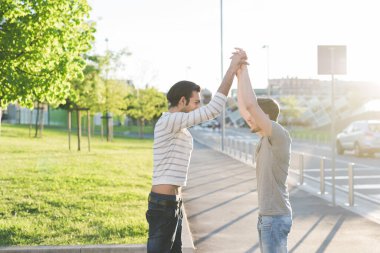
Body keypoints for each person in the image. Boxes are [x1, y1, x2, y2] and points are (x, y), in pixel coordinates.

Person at [146, 48, 248, 253]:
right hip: (163, 204)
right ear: (182, 101)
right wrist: (231, 69)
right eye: (195, 102)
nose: (197, 107)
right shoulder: (170, 121)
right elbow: (213, 109)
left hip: (173, 203)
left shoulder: (178, 124)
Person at [236, 63, 292, 253]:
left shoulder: (278, 134)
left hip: (275, 217)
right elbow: (244, 106)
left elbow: (251, 105)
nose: (249, 118)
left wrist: (246, 70)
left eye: (254, 115)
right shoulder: (263, 138)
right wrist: (239, 73)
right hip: (267, 217)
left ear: (265, 116)